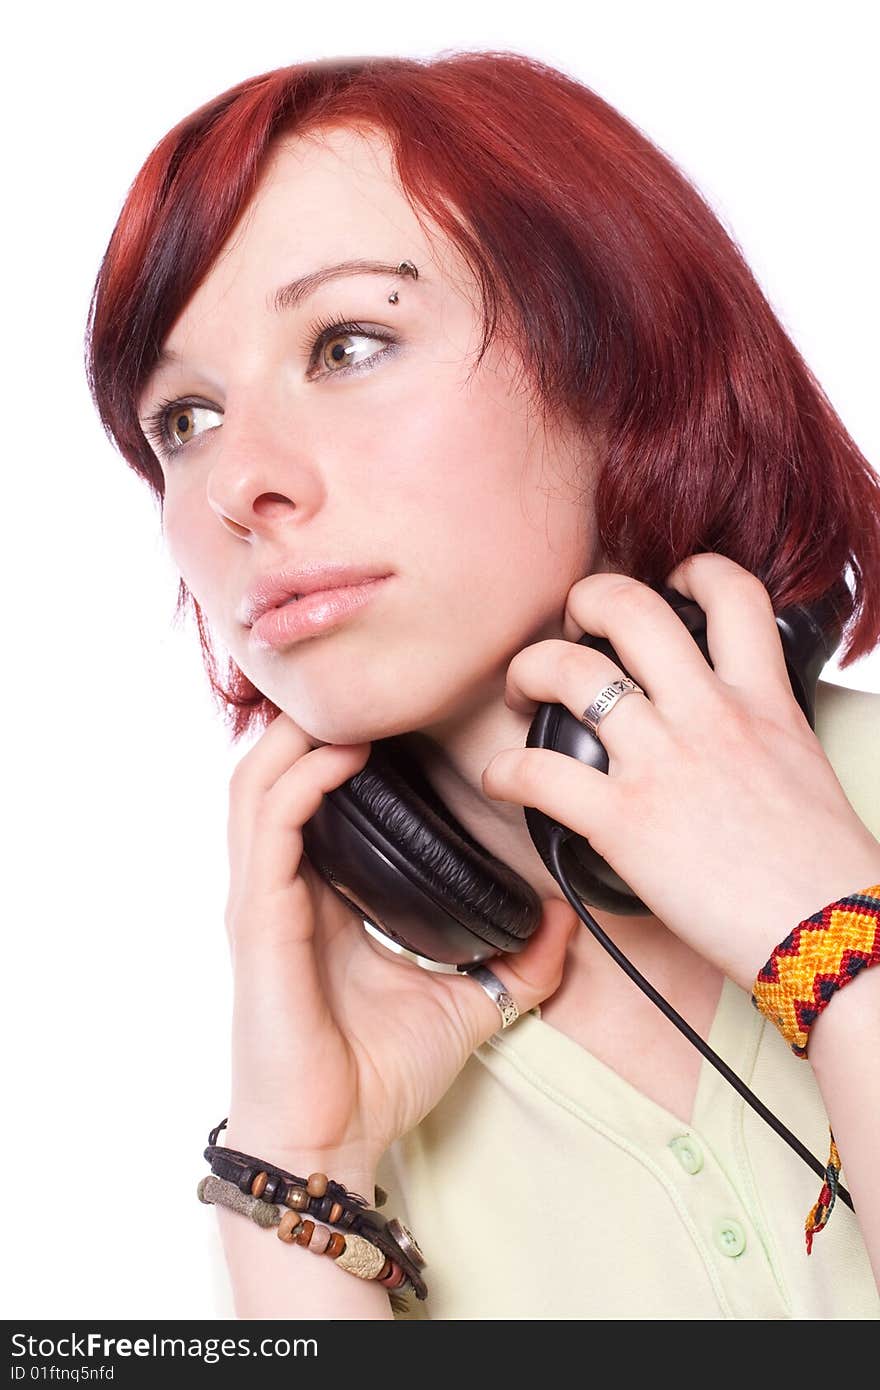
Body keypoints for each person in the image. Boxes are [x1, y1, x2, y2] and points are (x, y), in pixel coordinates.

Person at [84, 50, 880, 1320]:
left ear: (622, 375)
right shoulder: (341, 1083)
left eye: (347, 343)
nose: (238, 483)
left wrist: (834, 942)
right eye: (182, 419)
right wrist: (304, 1177)